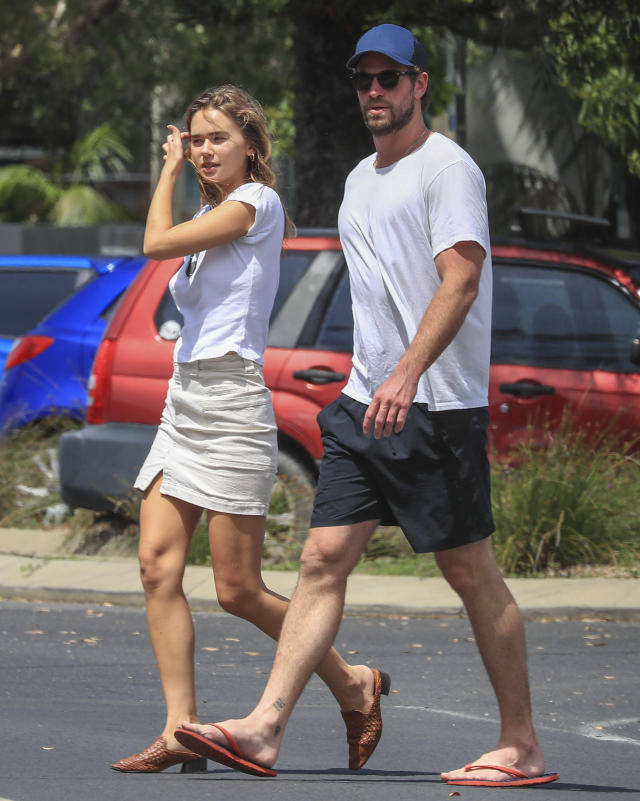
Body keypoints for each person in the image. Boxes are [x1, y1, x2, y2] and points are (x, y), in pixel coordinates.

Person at [175, 26, 559, 789]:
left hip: (433, 407)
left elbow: (460, 281)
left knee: (470, 572)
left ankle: (522, 745)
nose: (374, 93)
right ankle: (266, 726)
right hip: (362, 404)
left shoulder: (448, 170)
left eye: (389, 78)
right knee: (321, 559)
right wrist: (374, 379)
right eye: (363, 80)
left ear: (420, 84)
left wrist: (408, 373)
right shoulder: (359, 178)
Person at [111, 84, 388, 774]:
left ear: (252, 146)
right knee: (156, 567)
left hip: (234, 405)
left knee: (237, 587)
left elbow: (152, 243)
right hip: (186, 400)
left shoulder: (257, 205)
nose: (204, 150)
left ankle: (354, 681)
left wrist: (167, 168)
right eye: (197, 139)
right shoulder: (215, 221)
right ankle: (180, 727)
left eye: (217, 139)